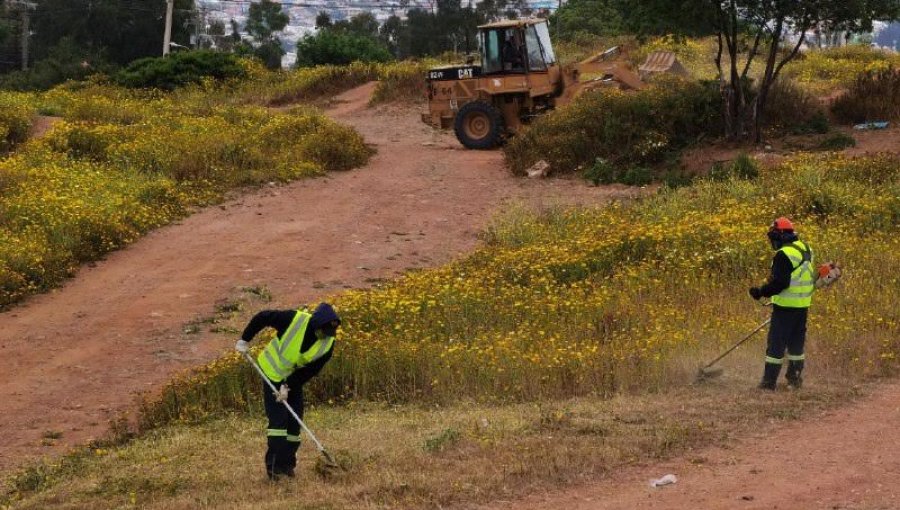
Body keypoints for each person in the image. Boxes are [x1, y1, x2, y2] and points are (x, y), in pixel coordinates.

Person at [235, 302, 341, 479]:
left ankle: (287, 466)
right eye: (323, 331)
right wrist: (245, 339)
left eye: (328, 333)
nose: (325, 336)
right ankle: (274, 469)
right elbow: (263, 316)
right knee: (279, 422)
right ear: (316, 324)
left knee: (294, 420)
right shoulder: (294, 319)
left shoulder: (327, 345)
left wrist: (288, 385)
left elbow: (310, 370)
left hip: (291, 380)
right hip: (272, 372)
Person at [749, 217, 815, 390]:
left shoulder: (784, 254)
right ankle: (795, 379)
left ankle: (768, 383)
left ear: (780, 236)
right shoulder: (805, 248)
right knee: (796, 345)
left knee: (776, 346)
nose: (772, 241)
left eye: (773, 237)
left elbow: (780, 283)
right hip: (802, 307)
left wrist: (760, 292)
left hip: (785, 308)